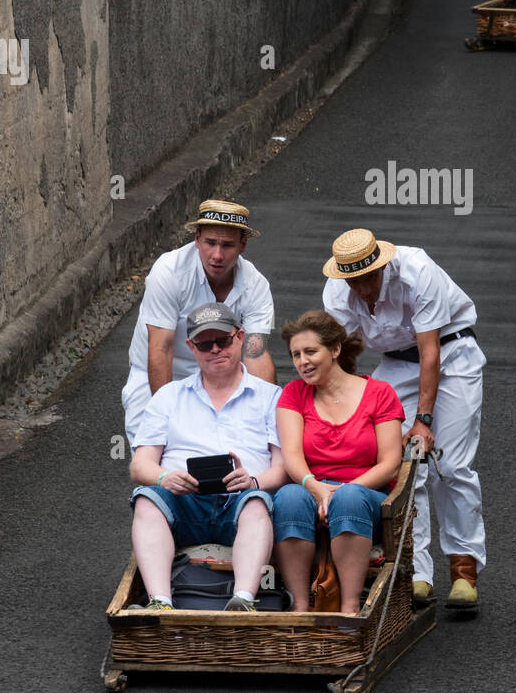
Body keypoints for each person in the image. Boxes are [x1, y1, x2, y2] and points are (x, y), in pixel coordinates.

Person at [322, 229, 486, 610]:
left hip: (451, 351)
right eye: (354, 281)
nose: (363, 289)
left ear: (381, 265)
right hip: (395, 365)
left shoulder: (416, 271)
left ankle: (463, 570)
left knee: (450, 463)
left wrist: (423, 421)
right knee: (401, 466)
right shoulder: (336, 292)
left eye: (369, 278)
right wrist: (341, 405)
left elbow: (430, 352)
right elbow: (340, 354)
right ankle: (417, 572)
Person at [128, 302, 288, 612]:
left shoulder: (270, 396)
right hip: (183, 501)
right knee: (146, 498)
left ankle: (243, 599)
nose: (215, 349)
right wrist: (164, 477)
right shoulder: (168, 396)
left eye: (223, 340)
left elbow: (284, 468)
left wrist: (254, 480)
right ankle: (160, 602)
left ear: (239, 337)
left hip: (240, 500)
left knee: (256, 502)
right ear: (191, 347)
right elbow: (140, 464)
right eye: (204, 343)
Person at [273, 310, 405, 615]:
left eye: (310, 351)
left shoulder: (379, 394)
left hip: (367, 492)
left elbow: (390, 463)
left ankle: (349, 609)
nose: (302, 362)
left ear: (335, 350)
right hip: (312, 488)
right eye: (295, 355)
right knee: (289, 497)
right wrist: (317, 489)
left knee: (349, 497)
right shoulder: (294, 393)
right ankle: (300, 607)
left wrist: (339, 492)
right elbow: (292, 454)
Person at [121, 200, 276, 449]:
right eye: (210, 243)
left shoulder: (255, 285)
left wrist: (269, 416)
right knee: (156, 461)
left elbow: (255, 353)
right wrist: (169, 414)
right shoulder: (169, 272)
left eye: (227, 245)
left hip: (222, 377)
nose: (217, 255)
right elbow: (161, 349)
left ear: (243, 245)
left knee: (235, 460)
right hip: (160, 373)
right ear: (196, 238)